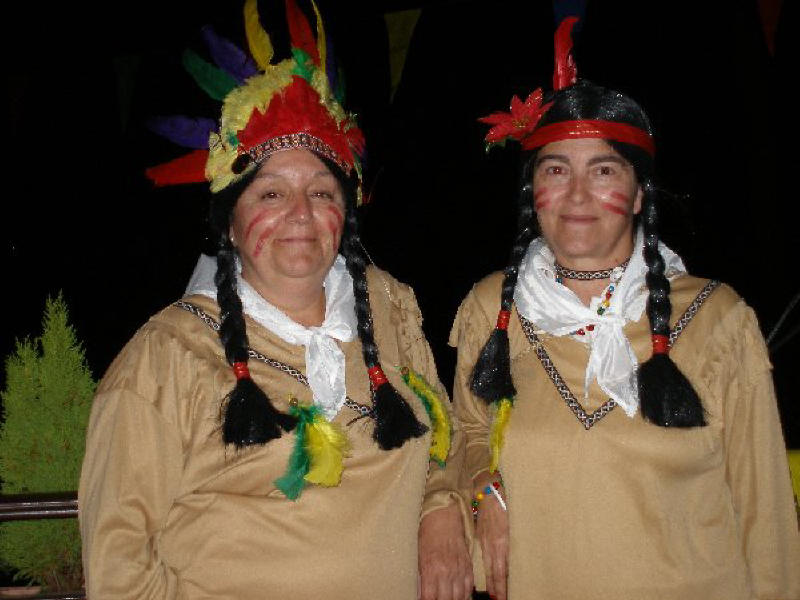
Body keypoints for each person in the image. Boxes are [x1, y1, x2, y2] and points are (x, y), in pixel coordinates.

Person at [78, 2, 472, 598]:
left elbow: (443, 438)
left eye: (321, 192)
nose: (301, 214)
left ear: (346, 213)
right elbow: (118, 569)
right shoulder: (165, 359)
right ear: (229, 225)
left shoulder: (390, 309)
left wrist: (440, 508)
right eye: (270, 194)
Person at [451, 17, 800, 600]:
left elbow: (767, 519)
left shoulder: (719, 319)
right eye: (556, 170)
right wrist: (485, 489)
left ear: (639, 195)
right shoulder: (493, 307)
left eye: (604, 170)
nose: (577, 194)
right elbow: (467, 430)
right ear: (533, 193)